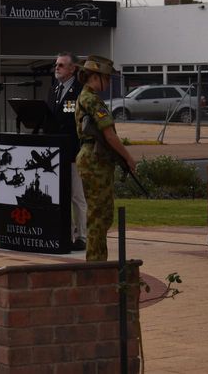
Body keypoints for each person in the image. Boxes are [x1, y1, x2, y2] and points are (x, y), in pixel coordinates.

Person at [74, 55, 137, 262]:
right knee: (99, 215)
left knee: (101, 213)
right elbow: (109, 135)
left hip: (93, 157)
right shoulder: (91, 99)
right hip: (95, 159)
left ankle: (97, 261)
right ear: (95, 76)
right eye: (107, 78)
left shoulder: (85, 96)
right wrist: (128, 158)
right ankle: (95, 264)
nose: (109, 83)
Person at [48, 51, 87, 251]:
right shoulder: (55, 90)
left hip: (73, 152)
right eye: (56, 64)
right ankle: (68, 233)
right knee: (62, 194)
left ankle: (82, 236)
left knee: (77, 195)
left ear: (72, 69)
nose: (57, 68)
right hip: (57, 153)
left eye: (61, 65)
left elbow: (77, 123)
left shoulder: (80, 91)